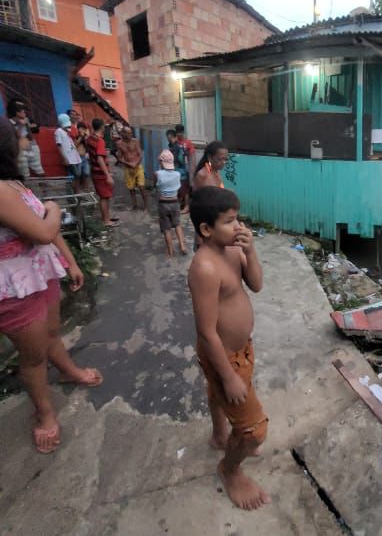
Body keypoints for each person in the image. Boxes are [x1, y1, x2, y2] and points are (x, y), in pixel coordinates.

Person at [0, 120, 102, 454]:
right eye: (20, 135)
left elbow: (47, 230)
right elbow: (45, 228)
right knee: (32, 356)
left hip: (41, 272)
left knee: (53, 332)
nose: (25, 138)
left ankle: (69, 371)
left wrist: (70, 262)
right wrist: (56, 208)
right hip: (15, 287)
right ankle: (44, 413)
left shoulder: (14, 184)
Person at [187, 186, 268, 510]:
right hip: (224, 357)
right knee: (254, 432)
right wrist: (229, 376)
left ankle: (220, 436)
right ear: (206, 229)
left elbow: (257, 285)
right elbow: (206, 332)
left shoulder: (233, 251)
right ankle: (229, 469)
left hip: (240, 349)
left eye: (239, 219)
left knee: (217, 395)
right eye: (230, 221)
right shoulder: (204, 268)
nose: (239, 227)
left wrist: (251, 252)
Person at [153, 149, 187, 257]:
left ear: (161, 162)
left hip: (163, 203)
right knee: (177, 224)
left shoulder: (157, 173)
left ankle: (170, 251)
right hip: (175, 203)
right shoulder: (177, 174)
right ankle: (182, 246)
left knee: (166, 229)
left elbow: (156, 185)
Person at [85, 118, 118, 227]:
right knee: (105, 197)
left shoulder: (89, 138)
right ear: (102, 127)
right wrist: (108, 175)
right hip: (100, 174)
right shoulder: (100, 141)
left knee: (104, 196)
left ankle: (106, 217)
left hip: (94, 171)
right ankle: (106, 221)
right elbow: (100, 158)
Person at [7, 98, 43, 179]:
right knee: (25, 175)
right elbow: (16, 137)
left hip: (32, 147)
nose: (24, 111)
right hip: (20, 150)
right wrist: (20, 125)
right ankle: (27, 191)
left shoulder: (27, 120)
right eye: (22, 109)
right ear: (16, 112)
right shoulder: (9, 122)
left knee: (40, 173)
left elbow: (31, 136)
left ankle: (43, 190)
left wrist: (27, 125)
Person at [117, 127, 147, 211]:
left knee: (141, 187)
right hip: (127, 168)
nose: (130, 135)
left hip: (138, 167)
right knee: (131, 188)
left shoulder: (135, 141)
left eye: (130, 133)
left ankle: (146, 206)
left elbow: (140, 154)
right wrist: (128, 163)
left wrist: (136, 163)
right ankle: (134, 205)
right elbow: (120, 157)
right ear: (123, 134)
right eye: (128, 133)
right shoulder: (119, 143)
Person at [54, 114, 83, 193]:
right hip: (69, 158)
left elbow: (72, 143)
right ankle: (77, 192)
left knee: (79, 175)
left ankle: (77, 191)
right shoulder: (58, 131)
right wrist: (64, 158)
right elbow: (59, 146)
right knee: (76, 175)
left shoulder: (68, 131)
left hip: (75, 156)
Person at [166, 130, 190, 213]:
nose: (168, 139)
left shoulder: (176, 146)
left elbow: (175, 159)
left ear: (170, 137)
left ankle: (186, 206)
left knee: (184, 190)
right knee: (180, 190)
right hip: (178, 171)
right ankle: (180, 205)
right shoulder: (173, 145)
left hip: (181, 171)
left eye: (168, 137)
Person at [74, 122, 91, 192]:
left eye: (84, 129)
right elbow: (75, 145)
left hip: (85, 157)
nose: (83, 130)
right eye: (81, 129)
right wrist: (81, 137)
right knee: (78, 175)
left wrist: (85, 137)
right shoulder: (76, 136)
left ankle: (86, 189)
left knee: (86, 173)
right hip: (78, 158)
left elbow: (88, 146)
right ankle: (78, 190)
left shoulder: (85, 137)